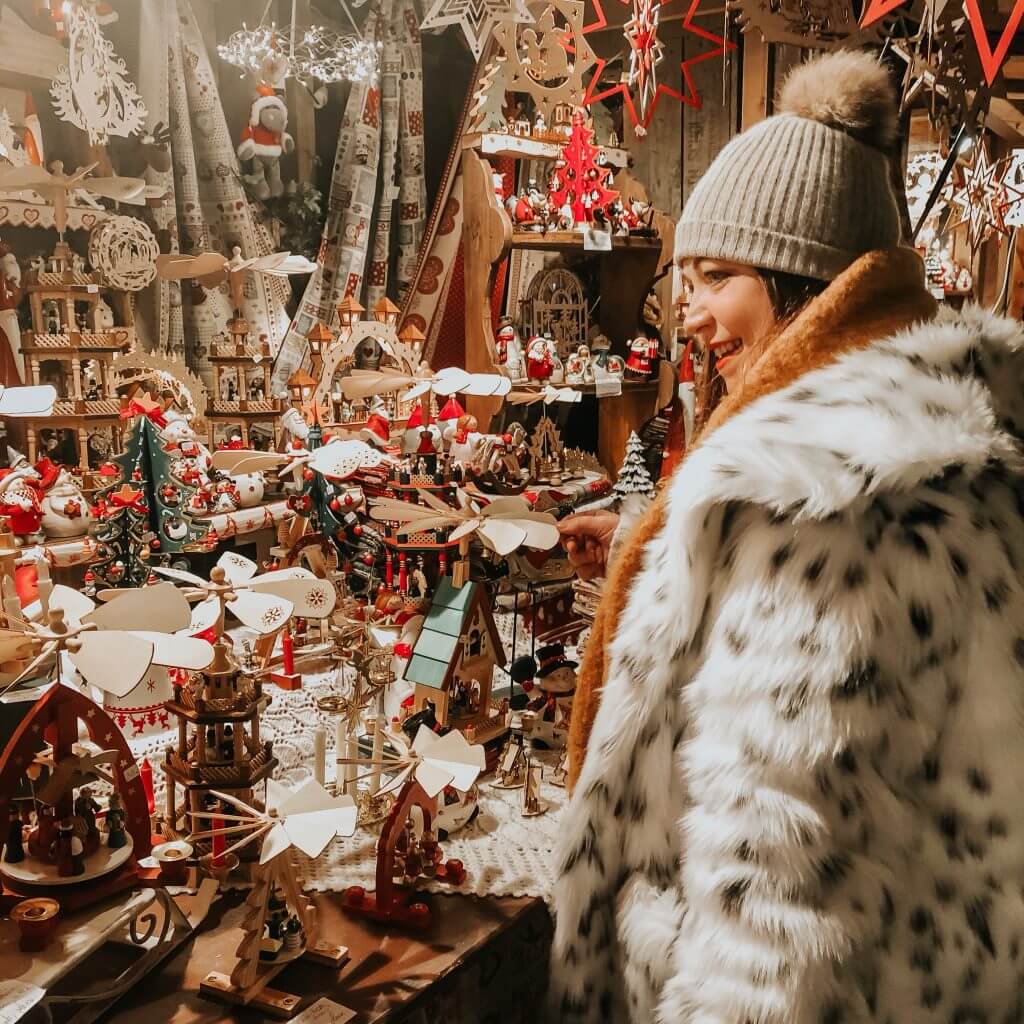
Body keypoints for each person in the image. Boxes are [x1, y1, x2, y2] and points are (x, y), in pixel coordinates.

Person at [551, 50, 1024, 1023]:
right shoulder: (937, 454)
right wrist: (658, 539)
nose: (687, 311)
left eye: (715, 277)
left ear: (804, 280)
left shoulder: (825, 507)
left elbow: (775, 915)